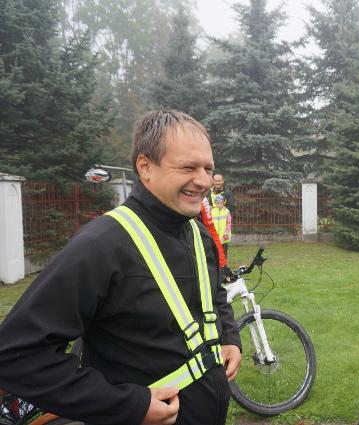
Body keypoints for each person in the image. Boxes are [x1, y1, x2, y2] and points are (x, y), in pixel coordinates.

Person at [0, 110, 242, 425]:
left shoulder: (198, 234)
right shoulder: (101, 245)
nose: (204, 181)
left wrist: (230, 337)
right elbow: (17, 356)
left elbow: (214, 295)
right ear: (145, 167)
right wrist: (128, 405)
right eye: (188, 167)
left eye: (208, 168)